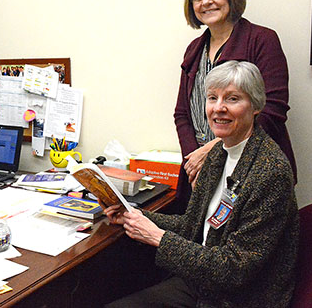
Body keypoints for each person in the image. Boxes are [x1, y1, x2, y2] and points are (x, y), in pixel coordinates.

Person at [103, 61, 299, 307]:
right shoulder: (219, 154)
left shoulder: (270, 171)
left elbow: (234, 269)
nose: (219, 108)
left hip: (239, 298)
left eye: (233, 99)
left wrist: (157, 237)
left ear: (256, 106)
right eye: (212, 98)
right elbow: (193, 225)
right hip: (203, 282)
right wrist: (134, 215)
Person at [174, 0, 297, 210]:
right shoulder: (194, 51)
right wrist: (193, 161)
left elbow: (273, 110)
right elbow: (182, 115)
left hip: (253, 172)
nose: (206, 2)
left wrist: (213, 151)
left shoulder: (262, 40)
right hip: (202, 174)